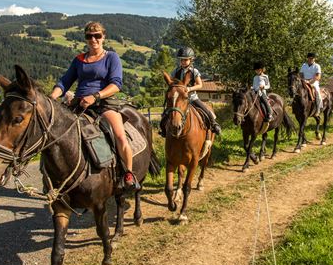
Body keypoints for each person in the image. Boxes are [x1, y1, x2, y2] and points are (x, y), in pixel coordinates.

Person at [50, 21, 138, 190]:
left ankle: (128, 173)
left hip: (104, 104)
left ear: (103, 37)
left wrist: (95, 96)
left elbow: (116, 84)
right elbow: (64, 82)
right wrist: (52, 97)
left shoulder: (111, 57)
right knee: (56, 134)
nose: (93, 39)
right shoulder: (79, 60)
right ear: (86, 38)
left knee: (119, 136)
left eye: (97, 36)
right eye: (90, 36)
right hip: (80, 104)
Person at [159, 47, 222, 136]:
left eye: (185, 60)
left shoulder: (194, 71)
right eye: (181, 60)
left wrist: (189, 89)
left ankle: (214, 124)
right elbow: (172, 83)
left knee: (206, 111)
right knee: (165, 115)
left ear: (191, 60)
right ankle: (163, 131)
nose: (183, 62)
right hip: (179, 99)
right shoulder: (176, 71)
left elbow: (200, 85)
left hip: (192, 97)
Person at [252, 62, 272, 133]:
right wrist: (252, 88)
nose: (257, 71)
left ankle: (269, 113)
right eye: (256, 70)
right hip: (255, 92)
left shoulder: (265, 76)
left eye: (258, 70)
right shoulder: (255, 77)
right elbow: (254, 86)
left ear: (261, 70)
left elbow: (268, 86)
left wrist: (263, 87)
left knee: (263, 100)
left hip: (262, 92)